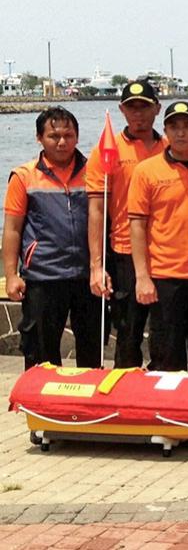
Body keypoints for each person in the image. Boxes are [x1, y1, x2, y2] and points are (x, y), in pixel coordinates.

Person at [3, 107, 100, 369]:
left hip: (86, 278)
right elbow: (12, 229)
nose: (61, 141)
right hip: (43, 278)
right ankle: (41, 410)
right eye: (53, 135)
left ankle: (88, 409)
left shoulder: (94, 172)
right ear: (39, 138)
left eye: (68, 135)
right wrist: (12, 275)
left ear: (77, 137)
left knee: (92, 355)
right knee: (41, 357)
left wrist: (100, 268)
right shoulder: (23, 176)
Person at [127, 102, 188, 372]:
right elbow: (137, 226)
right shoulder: (146, 171)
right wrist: (142, 278)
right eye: (174, 127)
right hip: (165, 278)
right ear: (164, 131)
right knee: (166, 358)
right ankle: (164, 413)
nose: (181, 133)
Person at [87, 80, 167, 369]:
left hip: (166, 254)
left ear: (157, 108)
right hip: (124, 253)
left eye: (144, 106)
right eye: (132, 107)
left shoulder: (170, 147)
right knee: (128, 333)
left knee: (165, 335)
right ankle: (125, 397)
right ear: (122, 110)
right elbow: (96, 209)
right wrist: (97, 266)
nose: (138, 113)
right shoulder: (107, 151)